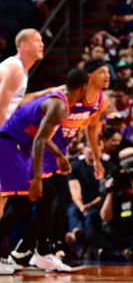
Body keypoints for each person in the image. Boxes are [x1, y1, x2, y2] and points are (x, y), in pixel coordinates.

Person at [11, 59, 108, 269]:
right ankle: (35, 250)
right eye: (102, 72)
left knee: (53, 198)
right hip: (42, 147)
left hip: (57, 150)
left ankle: (28, 250)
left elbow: (93, 130)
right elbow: (32, 106)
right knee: (52, 196)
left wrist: (98, 159)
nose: (107, 76)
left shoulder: (101, 101)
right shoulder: (65, 95)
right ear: (89, 77)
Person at [0, 69, 88, 274]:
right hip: (10, 146)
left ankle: (42, 253)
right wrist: (38, 177)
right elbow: (39, 140)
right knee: (23, 203)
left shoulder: (58, 100)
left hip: (17, 147)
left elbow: (42, 137)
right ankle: (39, 252)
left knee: (47, 194)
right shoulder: (59, 105)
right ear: (83, 88)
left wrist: (60, 156)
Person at [0, 29, 44, 126]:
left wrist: (51, 92)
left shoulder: (22, 70)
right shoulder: (15, 70)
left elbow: (17, 101)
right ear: (24, 46)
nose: (42, 44)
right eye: (37, 41)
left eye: (41, 41)